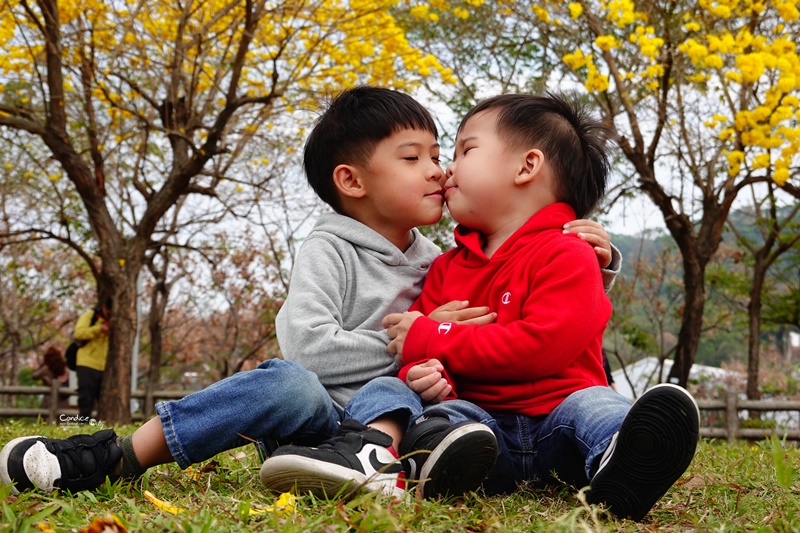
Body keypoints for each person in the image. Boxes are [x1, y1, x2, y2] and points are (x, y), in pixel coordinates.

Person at [0, 87, 618, 501]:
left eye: (442, 154)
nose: (439, 170)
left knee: (437, 407)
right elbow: (308, 347)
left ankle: (388, 463)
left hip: (405, 434)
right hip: (320, 424)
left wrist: (593, 256)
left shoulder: (443, 261)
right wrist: (414, 343)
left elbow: (522, 288)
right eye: (414, 158)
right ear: (351, 181)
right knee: (286, 380)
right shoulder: (330, 249)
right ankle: (114, 456)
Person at [376, 93, 699, 521]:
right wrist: (421, 372)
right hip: (482, 425)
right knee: (445, 417)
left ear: (527, 167)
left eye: (466, 150)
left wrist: (432, 336)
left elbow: (542, 344)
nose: (446, 168)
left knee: (598, 407)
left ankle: (622, 462)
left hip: (560, 417)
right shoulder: (444, 268)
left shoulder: (570, 253)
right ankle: (446, 462)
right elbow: (415, 349)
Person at [73, 299, 111, 418]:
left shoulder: (114, 323)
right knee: (86, 398)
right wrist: (98, 329)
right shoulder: (91, 316)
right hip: (86, 363)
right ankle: (84, 425)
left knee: (103, 399)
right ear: (104, 307)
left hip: (104, 366)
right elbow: (78, 333)